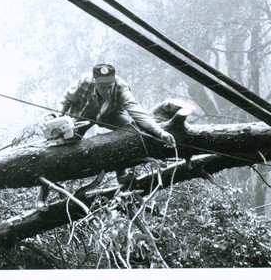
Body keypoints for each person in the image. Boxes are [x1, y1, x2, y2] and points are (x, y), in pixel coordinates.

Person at [35, 63, 176, 211]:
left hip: (110, 115)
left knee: (130, 129)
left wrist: (160, 132)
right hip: (83, 116)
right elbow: (67, 98)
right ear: (95, 82)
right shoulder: (85, 82)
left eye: (110, 86)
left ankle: (122, 173)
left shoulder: (121, 88)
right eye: (103, 87)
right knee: (61, 149)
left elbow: (137, 111)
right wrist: (59, 114)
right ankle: (42, 195)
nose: (108, 91)